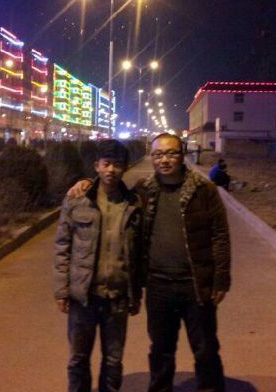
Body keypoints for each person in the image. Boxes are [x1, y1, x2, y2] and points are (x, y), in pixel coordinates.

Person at [69, 133, 231, 392]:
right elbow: (111, 192)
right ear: (152, 157)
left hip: (196, 284)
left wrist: (221, 278)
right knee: (161, 350)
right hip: (158, 285)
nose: (164, 160)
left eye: (171, 153)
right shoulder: (142, 192)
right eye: (158, 154)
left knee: (205, 348)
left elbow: (220, 235)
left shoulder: (204, 190)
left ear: (182, 155)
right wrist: (88, 182)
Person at [54, 139, 142, 392]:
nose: (111, 170)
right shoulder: (76, 199)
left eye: (117, 164)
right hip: (84, 298)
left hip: (117, 298)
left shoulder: (134, 203)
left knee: (113, 362)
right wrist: (61, 290)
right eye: (106, 164)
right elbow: (62, 245)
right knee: (78, 360)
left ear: (125, 167)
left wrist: (135, 293)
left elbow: (139, 253)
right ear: (96, 166)